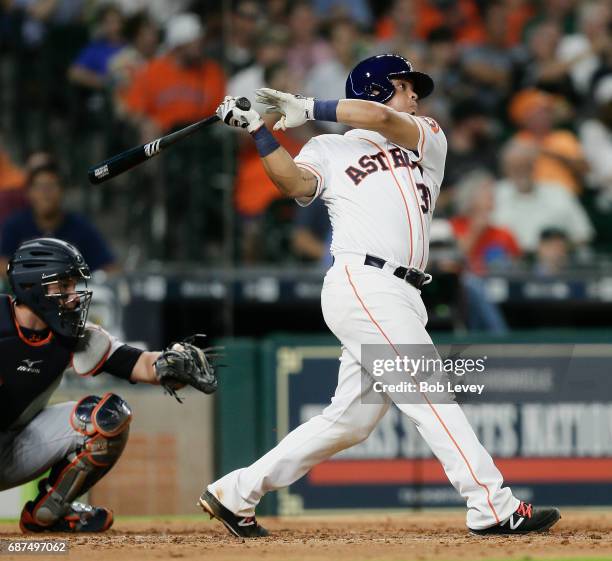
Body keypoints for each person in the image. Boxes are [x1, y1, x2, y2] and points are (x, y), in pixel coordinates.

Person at [203, 53, 561, 537]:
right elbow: (293, 183)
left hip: (404, 292)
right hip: (363, 282)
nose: (416, 94)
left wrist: (308, 106)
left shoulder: (426, 138)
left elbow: (379, 117)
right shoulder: (328, 148)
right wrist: (258, 132)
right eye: (406, 84)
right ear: (373, 86)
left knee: (349, 421)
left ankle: (236, 491)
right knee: (430, 392)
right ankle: (491, 506)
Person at [0, 237, 217, 533]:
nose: (73, 296)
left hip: (12, 447)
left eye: (73, 286)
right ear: (32, 287)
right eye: (63, 287)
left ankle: (49, 513)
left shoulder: (70, 335)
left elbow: (140, 364)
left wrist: (171, 363)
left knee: (107, 417)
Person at [0, 162, 117, 275]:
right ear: (29, 193)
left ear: (62, 190)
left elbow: (109, 267)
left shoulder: (80, 227)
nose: (46, 193)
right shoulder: (15, 226)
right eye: (40, 187)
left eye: (52, 186)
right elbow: (3, 264)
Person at [493, 140, 594, 252]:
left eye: (527, 165)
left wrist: (559, 249)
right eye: (515, 167)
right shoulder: (492, 196)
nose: (522, 171)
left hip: (557, 265)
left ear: (535, 165)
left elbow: (583, 233)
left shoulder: (559, 192)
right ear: (505, 170)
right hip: (508, 265)